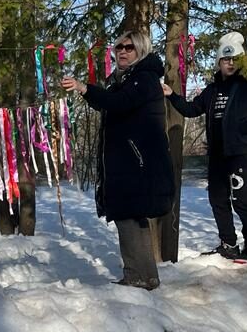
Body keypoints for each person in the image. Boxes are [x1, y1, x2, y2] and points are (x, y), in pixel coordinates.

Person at [62, 30, 174, 290]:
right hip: (131, 162)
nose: (122, 52)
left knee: (128, 216)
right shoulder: (128, 79)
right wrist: (88, 93)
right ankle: (146, 276)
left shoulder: (144, 79)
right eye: (119, 48)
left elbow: (119, 103)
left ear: (141, 51)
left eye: (129, 48)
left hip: (137, 164)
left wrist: (84, 87)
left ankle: (137, 276)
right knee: (132, 217)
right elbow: (109, 102)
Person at [163, 32, 247, 262]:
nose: (230, 63)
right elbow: (191, 109)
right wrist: (171, 95)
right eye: (225, 59)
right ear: (219, 62)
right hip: (217, 155)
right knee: (217, 198)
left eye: (234, 59)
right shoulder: (212, 90)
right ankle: (228, 243)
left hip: (239, 153)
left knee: (242, 199)